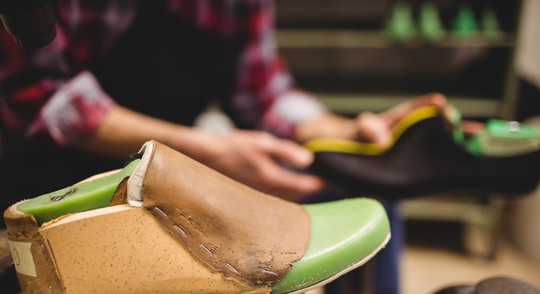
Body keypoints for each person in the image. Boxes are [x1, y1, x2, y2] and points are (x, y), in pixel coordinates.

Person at [0, 0, 446, 211]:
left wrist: (344, 131)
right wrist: (208, 150)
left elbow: (265, 95)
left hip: (152, 191)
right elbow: (37, 92)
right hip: (37, 191)